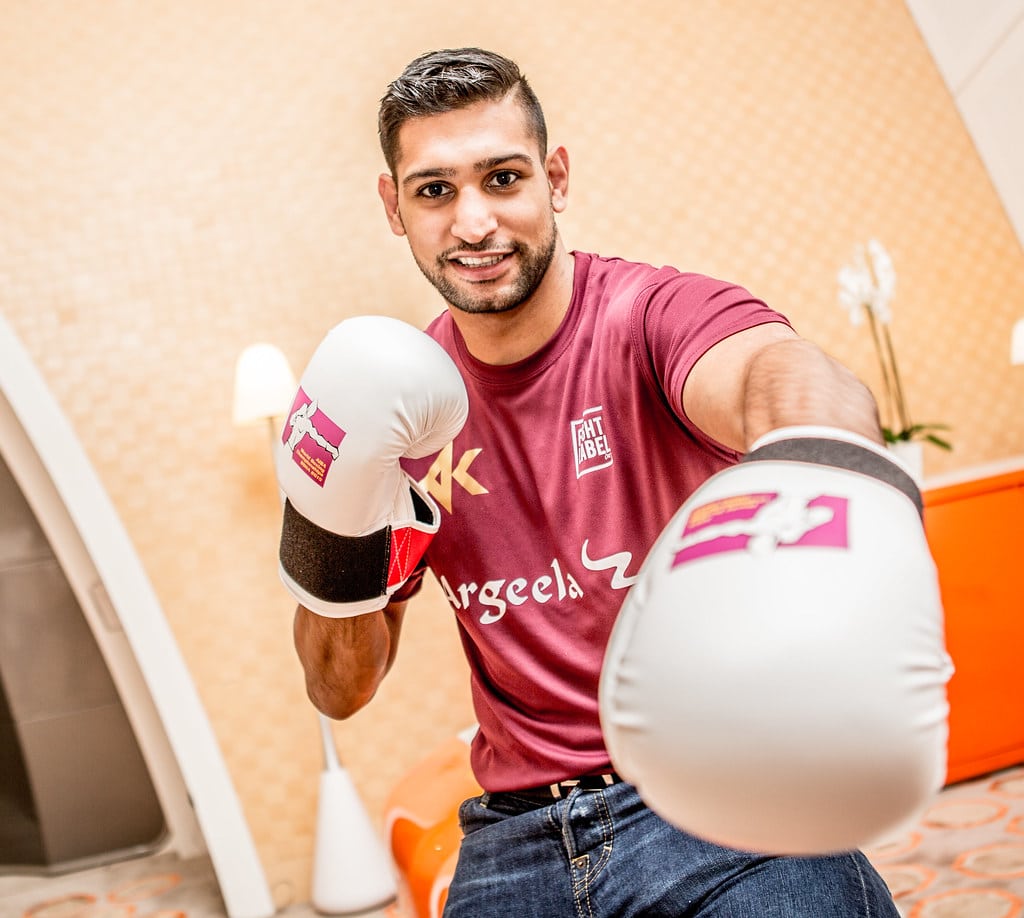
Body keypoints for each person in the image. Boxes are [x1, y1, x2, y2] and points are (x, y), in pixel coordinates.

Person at [289, 47, 915, 916]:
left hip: (718, 799)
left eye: (502, 178)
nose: (473, 224)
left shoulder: (654, 316)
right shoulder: (400, 406)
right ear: (394, 206)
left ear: (555, 178)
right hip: (515, 842)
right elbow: (340, 691)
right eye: (435, 191)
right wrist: (326, 523)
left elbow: (777, 370)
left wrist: (827, 459)